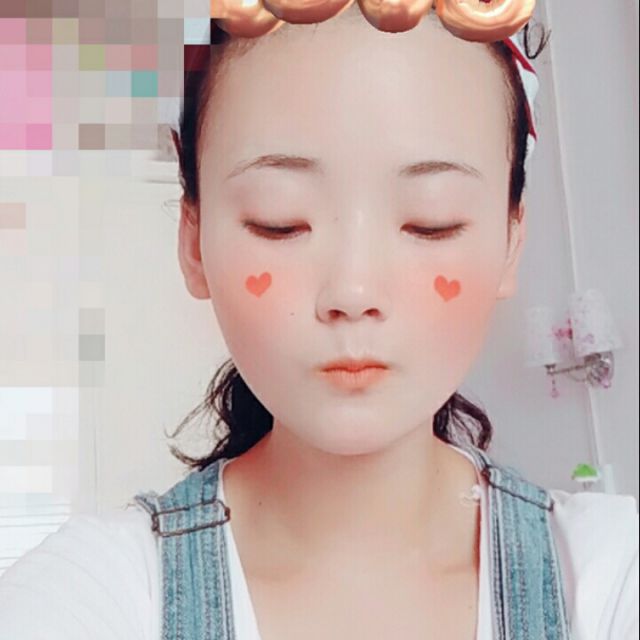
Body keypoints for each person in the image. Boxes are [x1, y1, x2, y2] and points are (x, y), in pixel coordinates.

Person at [0, 7, 638, 640]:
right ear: (193, 238)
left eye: (430, 222)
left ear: (511, 241)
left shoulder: (610, 577)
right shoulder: (94, 592)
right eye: (279, 222)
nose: (353, 292)